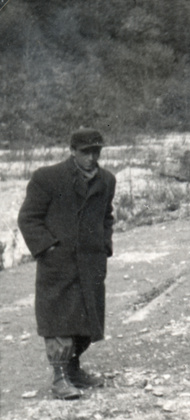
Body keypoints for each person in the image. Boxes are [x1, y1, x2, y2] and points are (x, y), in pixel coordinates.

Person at [18, 128, 116, 400]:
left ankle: (74, 370)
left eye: (96, 151)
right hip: (58, 264)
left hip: (91, 264)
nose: (92, 158)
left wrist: (104, 245)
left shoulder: (107, 180)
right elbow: (28, 219)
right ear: (72, 150)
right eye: (85, 152)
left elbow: (107, 216)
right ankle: (59, 377)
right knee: (59, 323)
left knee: (87, 321)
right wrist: (47, 248)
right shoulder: (47, 178)